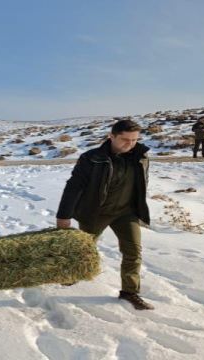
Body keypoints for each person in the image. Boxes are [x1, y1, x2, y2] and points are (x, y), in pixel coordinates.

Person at [55, 119, 154, 310]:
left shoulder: (141, 157)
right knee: (85, 248)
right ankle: (71, 273)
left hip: (127, 213)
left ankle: (129, 292)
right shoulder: (92, 157)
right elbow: (74, 187)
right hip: (95, 212)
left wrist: (139, 207)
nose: (130, 144)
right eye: (125, 139)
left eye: (134, 140)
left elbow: (142, 183)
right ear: (111, 136)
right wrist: (63, 215)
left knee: (133, 252)